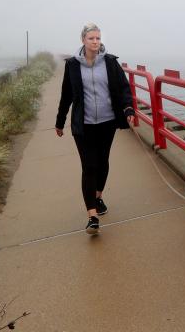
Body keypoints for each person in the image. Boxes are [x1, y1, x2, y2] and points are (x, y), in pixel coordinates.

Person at [56, 23, 135, 234]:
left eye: (98, 38)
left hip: (107, 122)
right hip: (84, 124)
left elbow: (124, 87)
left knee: (102, 163)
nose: (95, 42)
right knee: (89, 166)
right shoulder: (72, 65)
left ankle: (98, 196)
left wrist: (128, 109)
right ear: (83, 40)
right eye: (91, 38)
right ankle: (92, 216)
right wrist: (60, 120)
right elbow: (66, 94)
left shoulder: (110, 62)